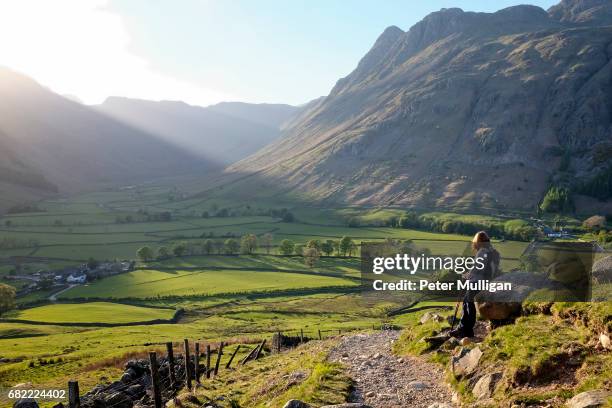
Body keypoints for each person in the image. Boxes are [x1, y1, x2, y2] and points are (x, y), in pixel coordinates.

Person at [450, 231, 500, 338]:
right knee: (467, 300)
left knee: (468, 301)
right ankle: (465, 328)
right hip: (488, 281)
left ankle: (465, 329)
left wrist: (466, 276)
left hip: (478, 281)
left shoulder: (482, 252)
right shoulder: (493, 252)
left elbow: (477, 269)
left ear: (478, 241)